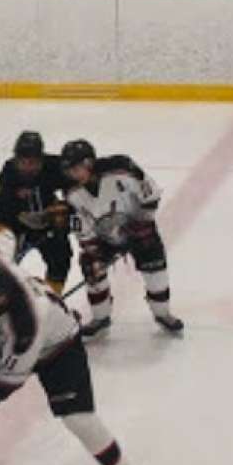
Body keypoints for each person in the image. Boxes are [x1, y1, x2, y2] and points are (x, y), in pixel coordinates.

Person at [0, 246, 144, 465]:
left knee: (78, 419)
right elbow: (0, 241)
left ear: (0, 298)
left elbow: (8, 383)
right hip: (10, 340)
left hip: (60, 351)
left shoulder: (27, 325)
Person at [59, 139, 183, 338]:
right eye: (68, 170)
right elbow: (82, 225)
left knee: (155, 270)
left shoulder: (122, 169)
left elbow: (150, 195)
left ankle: (163, 314)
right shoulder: (71, 191)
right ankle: (101, 317)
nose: (71, 175)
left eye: (75, 169)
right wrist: (94, 252)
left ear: (89, 163)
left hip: (138, 230)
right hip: (103, 238)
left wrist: (142, 224)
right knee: (91, 267)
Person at [0, 130, 73, 294]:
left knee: (61, 257)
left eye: (33, 162)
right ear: (15, 159)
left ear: (41, 159)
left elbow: (78, 189)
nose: (27, 167)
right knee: (0, 266)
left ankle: (53, 297)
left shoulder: (54, 166)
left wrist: (65, 211)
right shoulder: (8, 175)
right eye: (22, 162)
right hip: (17, 227)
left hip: (49, 225)